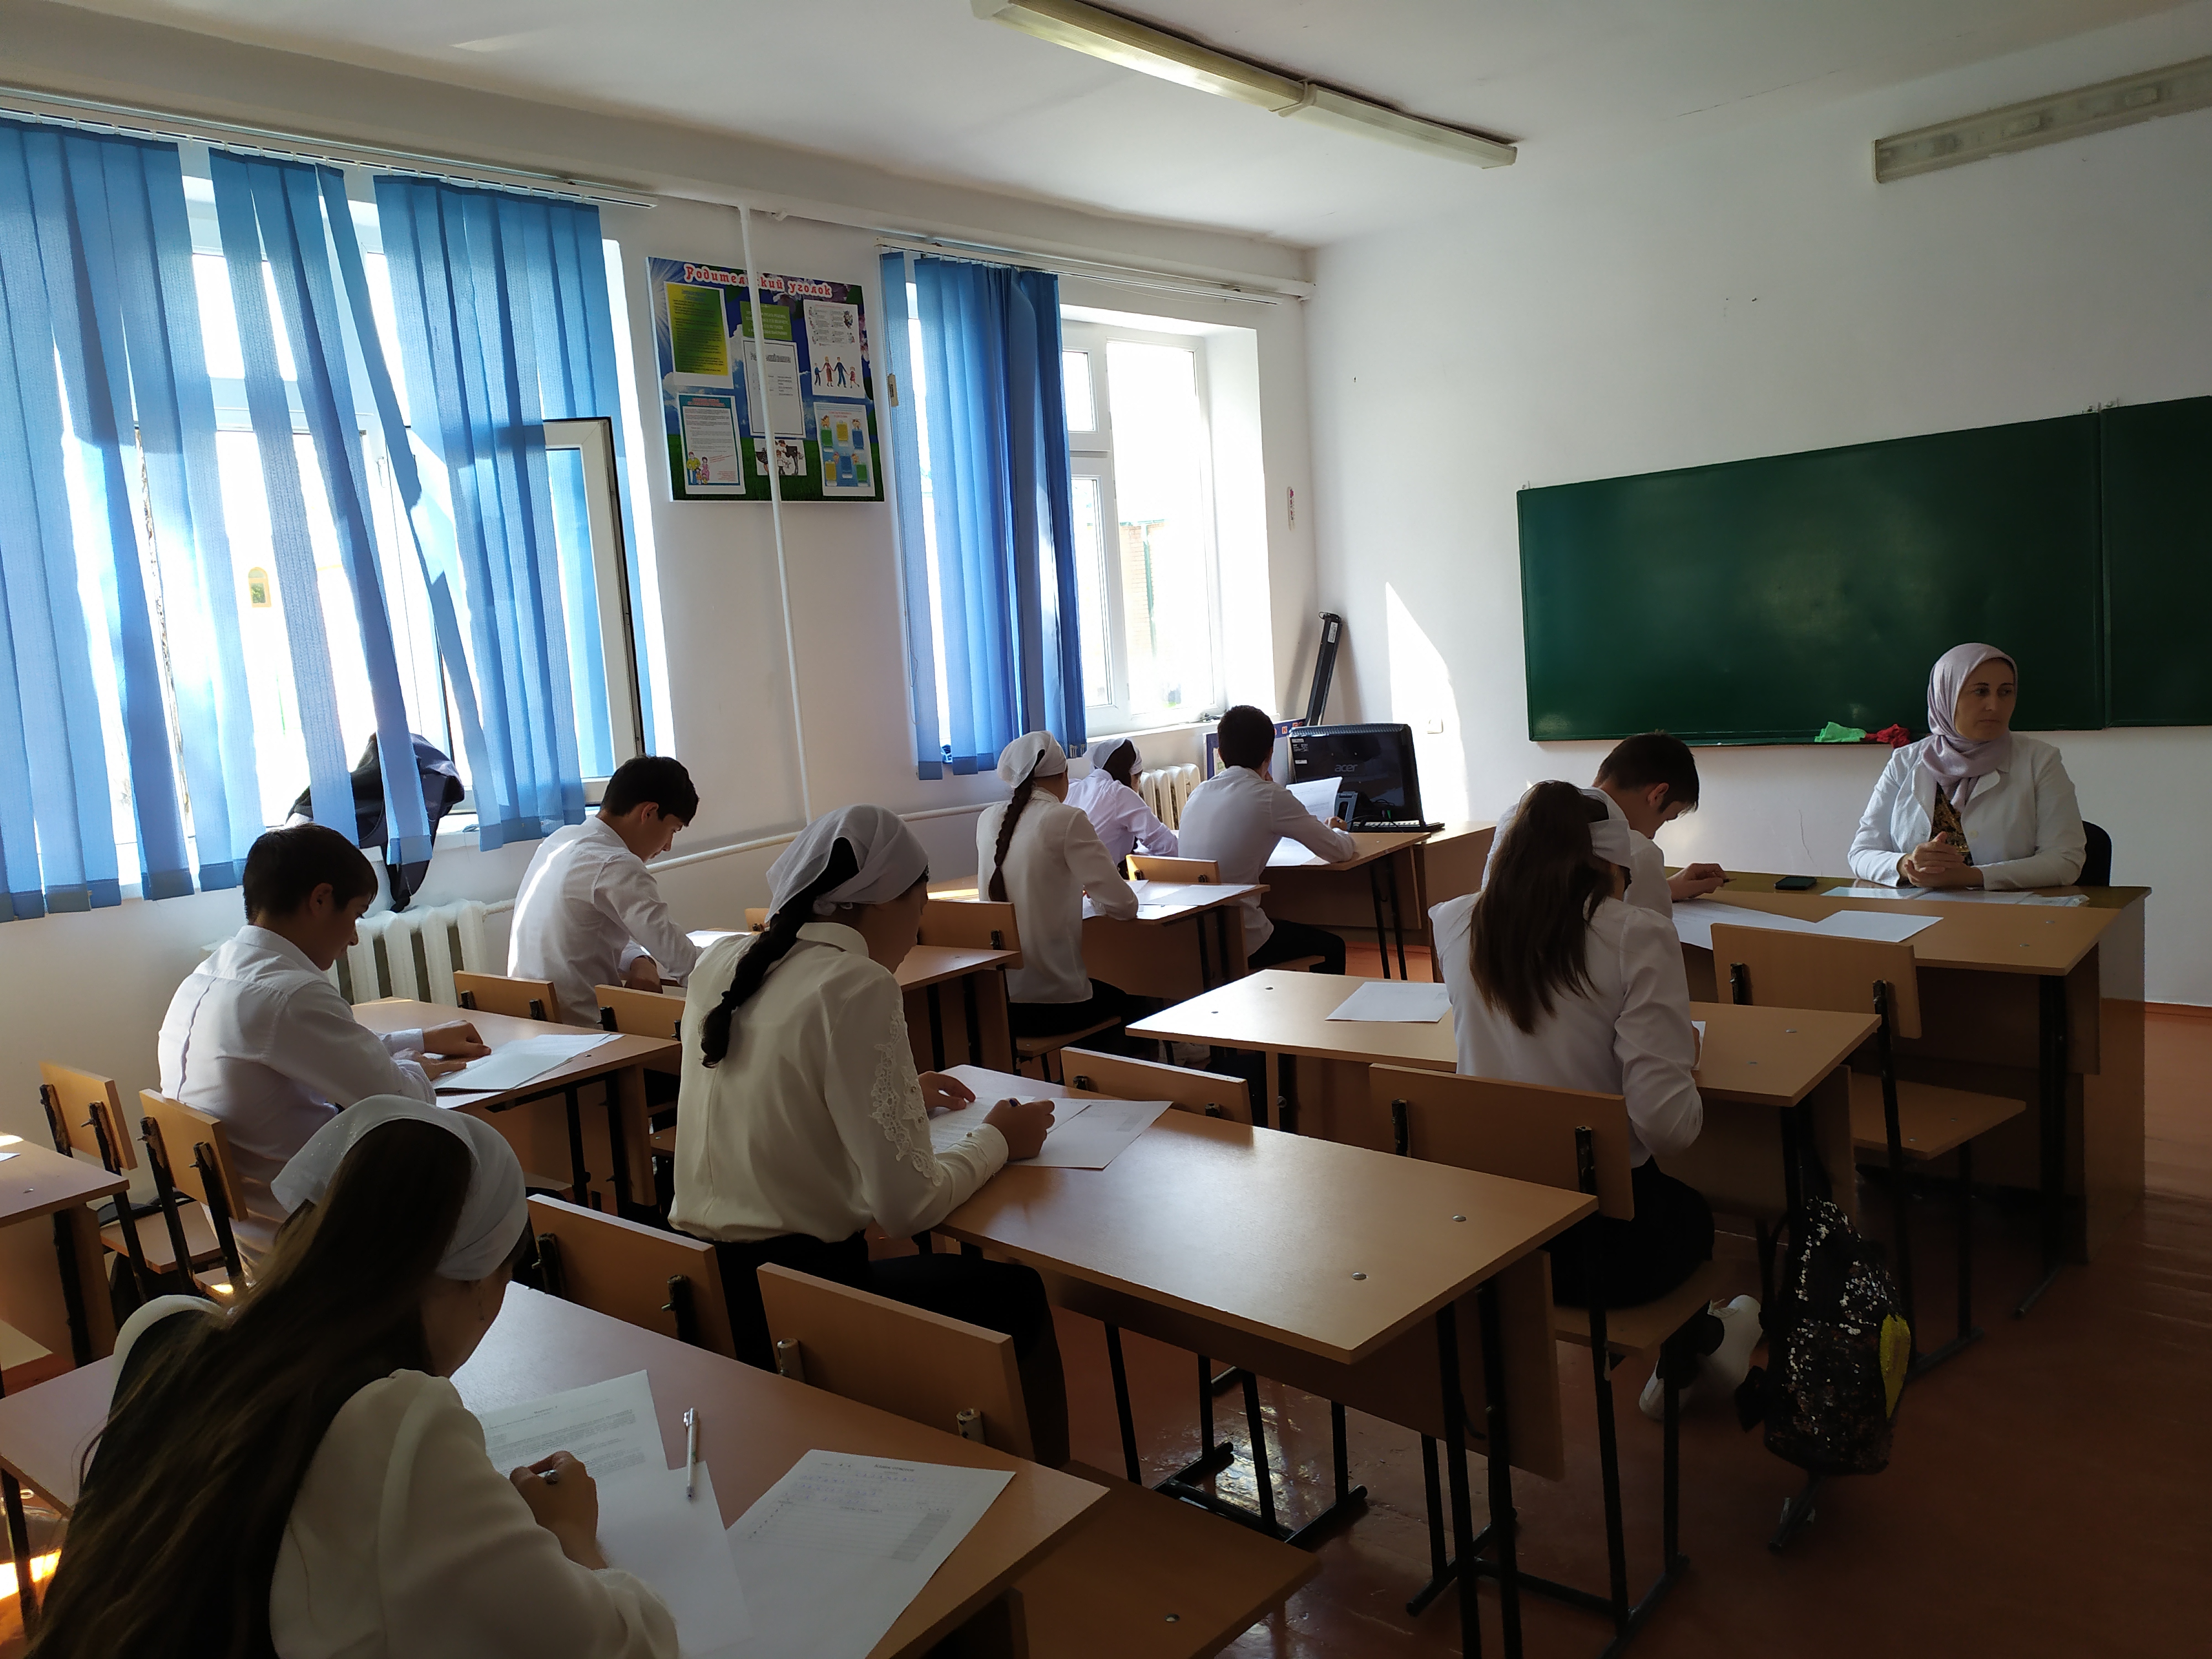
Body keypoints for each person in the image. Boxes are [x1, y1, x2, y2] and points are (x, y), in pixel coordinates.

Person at [29, 1098, 676, 1659]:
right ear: (480, 1280)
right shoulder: (396, 1426)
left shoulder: (162, 1337)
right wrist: (570, 1533)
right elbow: (625, 1647)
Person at [670, 806, 1068, 1463]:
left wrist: (896, 1093)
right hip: (805, 1301)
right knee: (1013, 1292)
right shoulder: (857, 982)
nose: (917, 930)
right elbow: (907, 1208)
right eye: (919, 907)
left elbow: (777, 1086)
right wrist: (999, 1137)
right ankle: (1047, 1490)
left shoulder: (722, 960)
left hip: (709, 1284)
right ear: (882, 901)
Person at [1433, 781, 1756, 1412]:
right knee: (1688, 1214)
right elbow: (1668, 1128)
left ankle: (1706, 1346)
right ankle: (1694, 1355)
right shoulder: (1634, 935)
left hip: (1487, 1231)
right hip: (1601, 1247)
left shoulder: (1455, 922)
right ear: (1613, 865)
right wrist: (1678, 1058)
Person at [158, 825, 488, 1253]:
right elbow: (403, 1104)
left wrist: (417, 1039)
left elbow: (322, 1050)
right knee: (480, 1168)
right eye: (356, 914)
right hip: (312, 1237)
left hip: (246, 1231)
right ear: (320, 899)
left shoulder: (210, 976)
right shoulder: (290, 994)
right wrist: (415, 1067)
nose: (353, 937)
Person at [1849, 643, 2086, 890]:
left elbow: (2065, 861)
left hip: (2006, 910)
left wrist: (1974, 877)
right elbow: (1862, 853)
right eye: (1980, 692)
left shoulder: (2039, 760)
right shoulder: (1905, 761)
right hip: (1916, 908)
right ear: (1946, 695)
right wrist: (1906, 864)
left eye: (2006, 692)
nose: (1995, 706)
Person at [508, 756, 702, 1021]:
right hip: (587, 1032)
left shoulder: (559, 842)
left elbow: (590, 933)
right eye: (673, 830)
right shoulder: (616, 863)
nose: (668, 846)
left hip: (528, 1024)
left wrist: (639, 960)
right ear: (648, 812)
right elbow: (686, 964)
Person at [978, 732, 1140, 1041]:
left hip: (1002, 1004)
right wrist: (1096, 897)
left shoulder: (987, 819)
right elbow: (1125, 905)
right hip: (1058, 1003)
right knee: (1137, 1003)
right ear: (1064, 774)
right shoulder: (1066, 818)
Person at [1176, 705, 1358, 973]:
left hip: (1197, 937)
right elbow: (1339, 851)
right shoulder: (1270, 796)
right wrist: (1338, 829)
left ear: (1220, 754)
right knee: (1332, 946)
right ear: (1270, 754)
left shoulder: (1198, 793)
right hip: (1243, 939)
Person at [1482, 732, 1724, 915]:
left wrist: (1667, 888)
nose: (1652, 835)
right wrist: (1651, 881)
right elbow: (1652, 947)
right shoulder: (1638, 852)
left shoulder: (1515, 820)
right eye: (1666, 819)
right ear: (1657, 795)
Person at [1066, 736, 1178, 865]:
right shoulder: (1119, 794)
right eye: (1138, 777)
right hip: (1095, 875)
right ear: (1131, 775)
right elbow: (1167, 847)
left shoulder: (1072, 787)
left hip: (1063, 874)